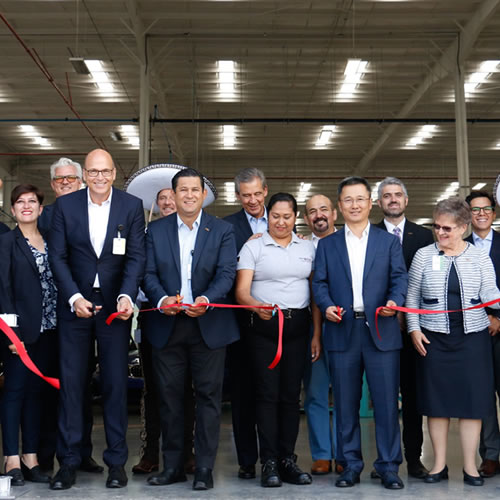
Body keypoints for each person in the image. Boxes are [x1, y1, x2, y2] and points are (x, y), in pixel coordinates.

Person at [48, 149, 146, 490]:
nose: (99, 177)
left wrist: (126, 296)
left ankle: (117, 462)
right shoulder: (65, 206)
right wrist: (74, 296)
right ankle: (69, 461)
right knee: (72, 386)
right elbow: (57, 256)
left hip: (114, 309)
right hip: (75, 305)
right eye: (93, 171)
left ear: (114, 173)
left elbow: (135, 256)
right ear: (85, 175)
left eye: (105, 171)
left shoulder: (130, 207)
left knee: (115, 386)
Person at [143, 168, 239, 491]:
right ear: (173, 194)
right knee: (169, 398)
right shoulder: (155, 231)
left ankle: (205, 469)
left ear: (203, 194)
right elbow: (148, 273)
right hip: (167, 324)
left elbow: (227, 274)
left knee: (209, 398)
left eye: (194, 190)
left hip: (208, 324)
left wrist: (207, 299)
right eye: (181, 190)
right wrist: (161, 298)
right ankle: (172, 466)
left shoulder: (222, 230)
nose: (187, 195)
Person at [313, 176, 408, 490]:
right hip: (342, 328)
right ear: (340, 206)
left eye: (360, 199)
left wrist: (396, 301)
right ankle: (350, 464)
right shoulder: (328, 245)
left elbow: (399, 279)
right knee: (344, 403)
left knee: (385, 403)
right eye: (348, 200)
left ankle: (389, 466)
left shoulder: (388, 242)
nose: (355, 205)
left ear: (372, 203)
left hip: (380, 328)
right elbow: (319, 284)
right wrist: (325, 305)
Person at [407, 197, 500, 487]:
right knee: (437, 404)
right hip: (433, 338)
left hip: (473, 337)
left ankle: (471, 467)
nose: (440, 233)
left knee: (472, 404)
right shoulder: (424, 256)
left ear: (462, 227)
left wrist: (495, 304)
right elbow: (411, 297)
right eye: (436, 227)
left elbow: (490, 292)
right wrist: (413, 329)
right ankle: (438, 464)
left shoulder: (479, 257)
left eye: (447, 228)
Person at [236, 192, 315, 488]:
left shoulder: (307, 247)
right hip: (264, 330)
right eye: (275, 216)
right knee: (266, 396)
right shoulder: (254, 246)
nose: (281, 222)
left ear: (296, 218)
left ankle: (287, 459)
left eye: (287, 216)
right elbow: (241, 290)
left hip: (298, 329)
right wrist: (256, 306)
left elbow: (315, 292)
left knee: (291, 397)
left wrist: (316, 333)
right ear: (267, 217)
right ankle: (267, 460)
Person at [36, 157, 102, 475]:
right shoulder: (41, 217)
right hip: (49, 315)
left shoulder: (91, 214)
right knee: (51, 386)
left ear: (81, 181)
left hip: (83, 312)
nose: (65, 183)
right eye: (60, 179)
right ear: (52, 185)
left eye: (71, 178)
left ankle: (81, 452)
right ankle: (50, 453)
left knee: (81, 385)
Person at [132, 187, 196, 476]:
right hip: (155, 320)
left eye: (173, 197)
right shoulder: (149, 235)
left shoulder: (193, 232)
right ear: (156, 205)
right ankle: (151, 451)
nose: (169, 202)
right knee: (154, 391)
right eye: (163, 199)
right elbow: (140, 274)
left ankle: (187, 451)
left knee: (186, 390)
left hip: (190, 321)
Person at [375, 176, 434, 479]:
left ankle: (414, 458)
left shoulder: (424, 236)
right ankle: (386, 460)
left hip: (415, 331)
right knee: (383, 397)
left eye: (398, 195)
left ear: (406, 200)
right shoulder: (369, 235)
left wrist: (412, 318)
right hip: (380, 328)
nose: (393, 199)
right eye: (387, 195)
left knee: (412, 398)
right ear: (379, 202)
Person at [0, 184, 56, 486]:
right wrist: (12, 333)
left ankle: (31, 457)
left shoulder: (50, 241)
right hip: (18, 334)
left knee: (36, 394)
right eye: (19, 202)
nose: (26, 206)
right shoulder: (6, 242)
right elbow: (3, 290)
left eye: (31, 201)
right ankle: (10, 458)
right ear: (12, 210)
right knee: (14, 393)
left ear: (40, 208)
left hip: (49, 329)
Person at [224, 167, 268, 480]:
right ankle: (246, 459)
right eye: (245, 195)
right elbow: (224, 271)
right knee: (242, 394)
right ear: (237, 196)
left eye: (256, 193)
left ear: (265, 191)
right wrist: (247, 249)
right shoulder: (227, 227)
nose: (252, 200)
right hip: (239, 323)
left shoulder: (283, 220)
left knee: (272, 393)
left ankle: (274, 456)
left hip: (274, 323)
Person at [302, 194, 343, 476]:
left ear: (334, 214)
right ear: (306, 219)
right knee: (316, 393)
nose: (319, 215)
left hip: (343, 327)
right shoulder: (301, 248)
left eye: (324, 210)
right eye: (312, 211)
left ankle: (343, 452)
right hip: (311, 327)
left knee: (344, 392)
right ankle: (321, 455)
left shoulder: (347, 245)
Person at [464, 191, 500, 478]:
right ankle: (490, 456)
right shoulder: (457, 248)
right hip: (473, 333)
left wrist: (498, 317)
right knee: (483, 396)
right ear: (467, 215)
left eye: (486, 208)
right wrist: (483, 317)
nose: (481, 214)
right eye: (475, 210)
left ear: (494, 213)